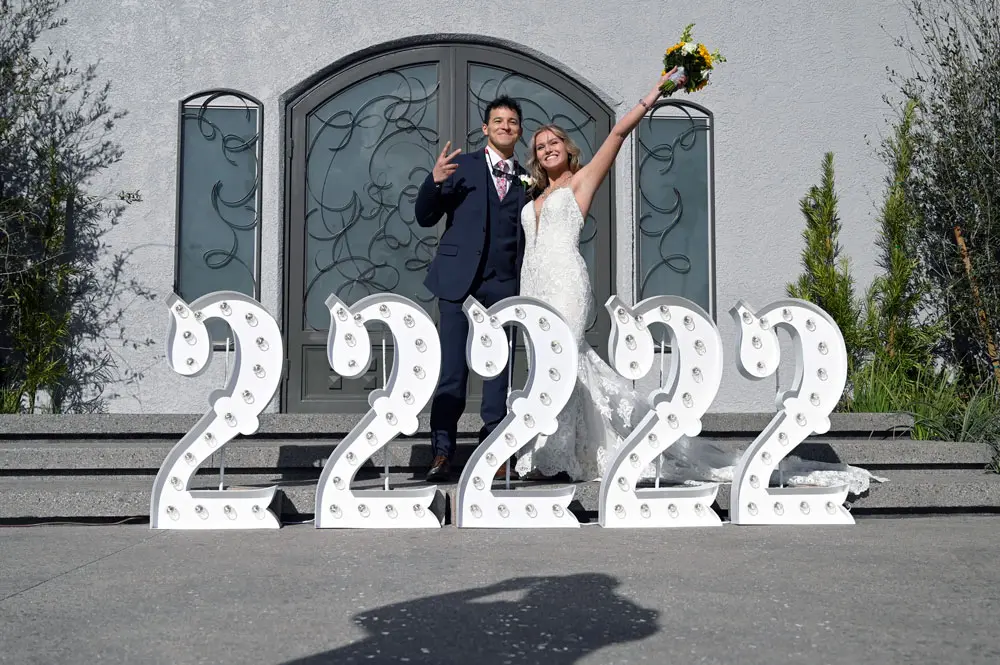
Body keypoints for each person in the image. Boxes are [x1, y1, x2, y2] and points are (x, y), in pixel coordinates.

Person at [514, 69, 885, 496]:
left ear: (568, 148)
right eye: (540, 147)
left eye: (553, 143)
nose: (547, 149)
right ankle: (551, 452)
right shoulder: (533, 196)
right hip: (534, 285)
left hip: (565, 283)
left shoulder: (580, 182)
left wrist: (653, 94)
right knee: (545, 365)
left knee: (565, 360)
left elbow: (616, 135)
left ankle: (559, 457)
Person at [414, 95, 531, 482]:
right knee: (452, 371)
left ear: (519, 129)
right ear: (485, 128)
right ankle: (442, 453)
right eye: (498, 121)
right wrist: (433, 182)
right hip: (458, 283)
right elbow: (425, 216)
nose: (505, 126)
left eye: (512, 121)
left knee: (499, 372)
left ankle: (494, 452)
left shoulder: (528, 177)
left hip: (504, 285)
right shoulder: (460, 166)